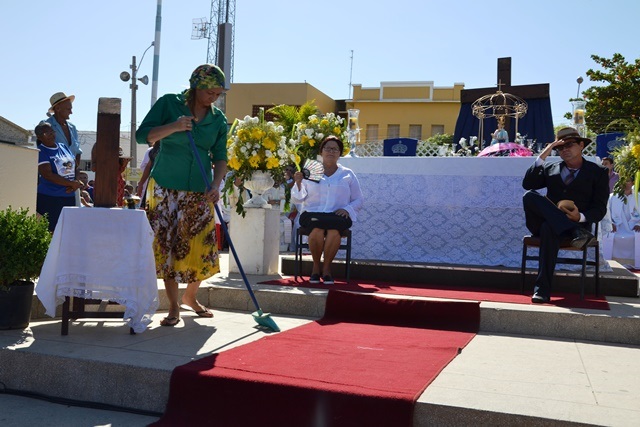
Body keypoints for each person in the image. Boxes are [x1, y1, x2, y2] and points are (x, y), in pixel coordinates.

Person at [136, 63, 228, 327]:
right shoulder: (169, 104)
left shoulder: (218, 119)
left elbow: (221, 157)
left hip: (200, 190)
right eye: (210, 92)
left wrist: (216, 184)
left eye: (218, 94)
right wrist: (174, 126)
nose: (214, 98)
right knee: (169, 246)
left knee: (199, 246)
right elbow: (143, 136)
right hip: (166, 187)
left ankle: (190, 296)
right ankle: (174, 305)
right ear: (196, 86)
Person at [522, 127, 609, 303]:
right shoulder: (550, 168)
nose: (564, 150)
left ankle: (542, 290)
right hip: (571, 232)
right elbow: (528, 183)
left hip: (575, 224)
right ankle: (574, 230)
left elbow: (600, 208)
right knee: (529, 196)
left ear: (581, 145)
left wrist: (580, 217)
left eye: (569, 145)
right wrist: (544, 154)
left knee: (549, 228)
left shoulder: (598, 172)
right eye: (559, 147)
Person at [291, 135, 363, 284]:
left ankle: (327, 268)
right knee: (317, 229)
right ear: (321, 151)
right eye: (327, 148)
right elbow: (298, 198)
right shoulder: (311, 170)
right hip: (312, 214)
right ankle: (316, 267)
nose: (331, 151)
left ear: (340, 153)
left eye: (335, 149)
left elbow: (359, 199)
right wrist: (298, 183)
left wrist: (347, 209)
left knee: (333, 231)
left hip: (336, 216)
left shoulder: (347, 174)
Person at [34, 121, 83, 232]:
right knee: (52, 231)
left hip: (68, 196)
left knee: (66, 230)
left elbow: (75, 166)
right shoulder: (41, 151)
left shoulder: (63, 146)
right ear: (39, 137)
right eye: (47, 133)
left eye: (52, 131)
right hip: (50, 198)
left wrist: (75, 182)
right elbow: (48, 175)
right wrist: (71, 184)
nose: (51, 135)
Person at [601, 179, 640, 268]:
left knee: (637, 236)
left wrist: (639, 224)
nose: (625, 183)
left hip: (634, 227)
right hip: (617, 227)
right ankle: (612, 262)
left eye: (628, 181)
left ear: (633, 182)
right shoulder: (612, 197)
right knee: (609, 235)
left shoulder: (638, 197)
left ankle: (635, 263)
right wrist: (610, 223)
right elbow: (606, 213)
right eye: (623, 180)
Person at [46, 92, 82, 173]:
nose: (71, 112)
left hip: (70, 174)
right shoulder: (46, 126)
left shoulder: (73, 128)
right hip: (53, 175)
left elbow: (78, 152)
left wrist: (73, 171)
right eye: (68, 109)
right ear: (58, 108)